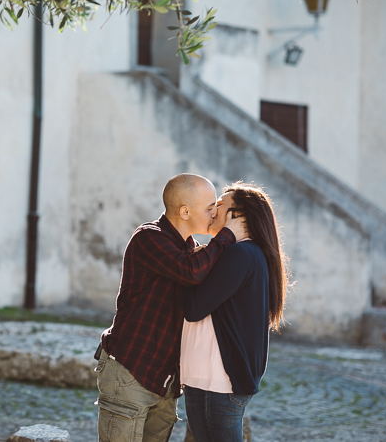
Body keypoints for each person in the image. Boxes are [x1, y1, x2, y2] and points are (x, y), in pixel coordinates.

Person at [96, 173, 248, 442]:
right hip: (131, 369)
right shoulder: (148, 238)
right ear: (185, 211)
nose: (214, 214)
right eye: (210, 207)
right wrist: (226, 236)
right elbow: (189, 271)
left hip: (165, 380)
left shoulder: (195, 249)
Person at [180, 182, 289, 442]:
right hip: (204, 377)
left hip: (218, 381)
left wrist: (184, 270)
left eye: (219, 205)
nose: (211, 210)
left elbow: (194, 308)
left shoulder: (241, 253)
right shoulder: (239, 253)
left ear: (237, 215)